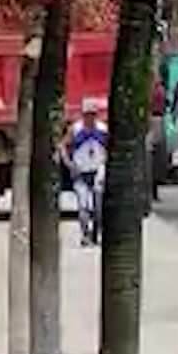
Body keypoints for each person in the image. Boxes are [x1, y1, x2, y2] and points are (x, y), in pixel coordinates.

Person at [68, 99, 110, 246]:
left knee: (98, 207)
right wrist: (70, 164)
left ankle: (96, 233)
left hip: (98, 170)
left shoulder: (103, 130)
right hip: (81, 172)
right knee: (83, 206)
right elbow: (63, 146)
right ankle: (85, 234)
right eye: (87, 114)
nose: (90, 118)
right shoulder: (76, 129)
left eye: (93, 114)